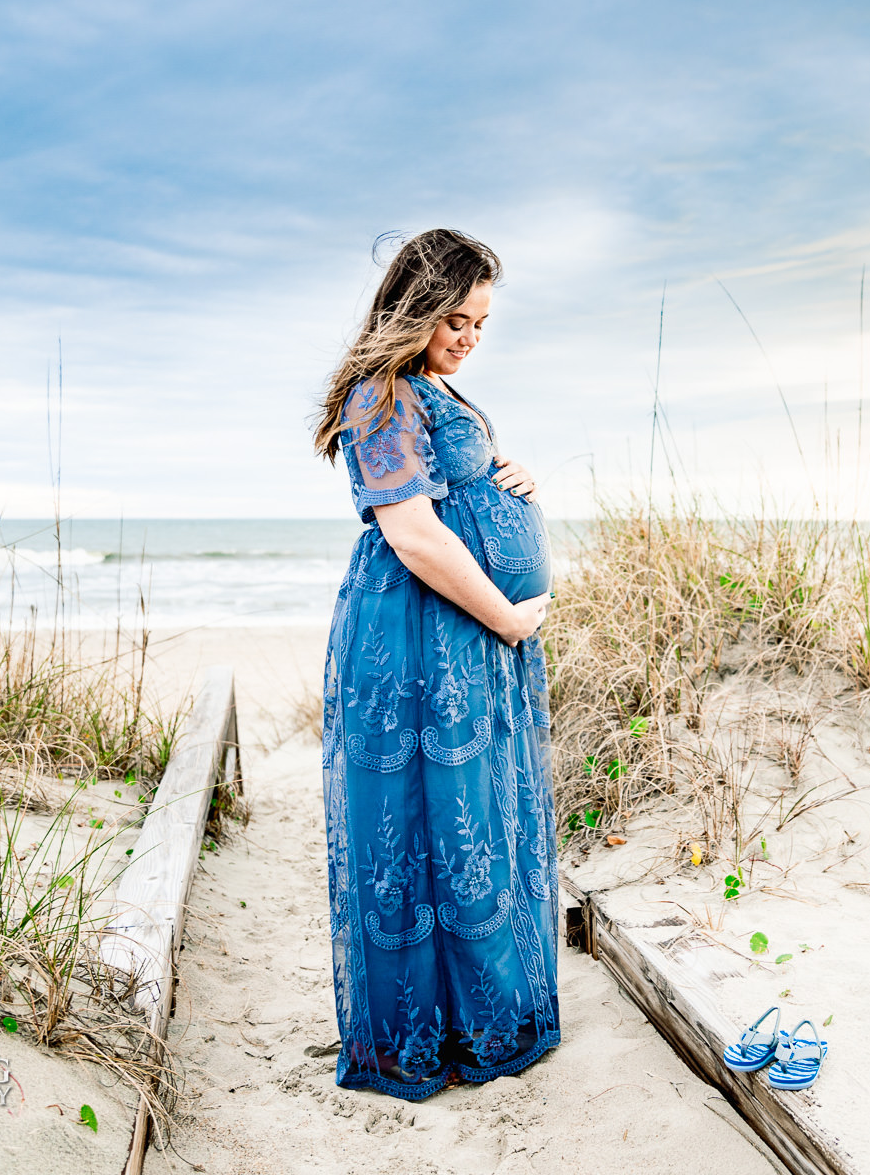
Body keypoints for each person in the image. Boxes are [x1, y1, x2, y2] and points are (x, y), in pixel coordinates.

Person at [311, 228, 557, 1100]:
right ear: (412, 305)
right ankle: (431, 1038)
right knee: (424, 829)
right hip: (424, 633)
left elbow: (448, 493)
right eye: (454, 318)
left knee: (473, 823)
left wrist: (501, 473)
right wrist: (509, 620)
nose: (467, 338)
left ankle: (479, 1017)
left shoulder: (426, 390)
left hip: (462, 636)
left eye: (481, 324)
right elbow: (412, 534)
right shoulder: (380, 396)